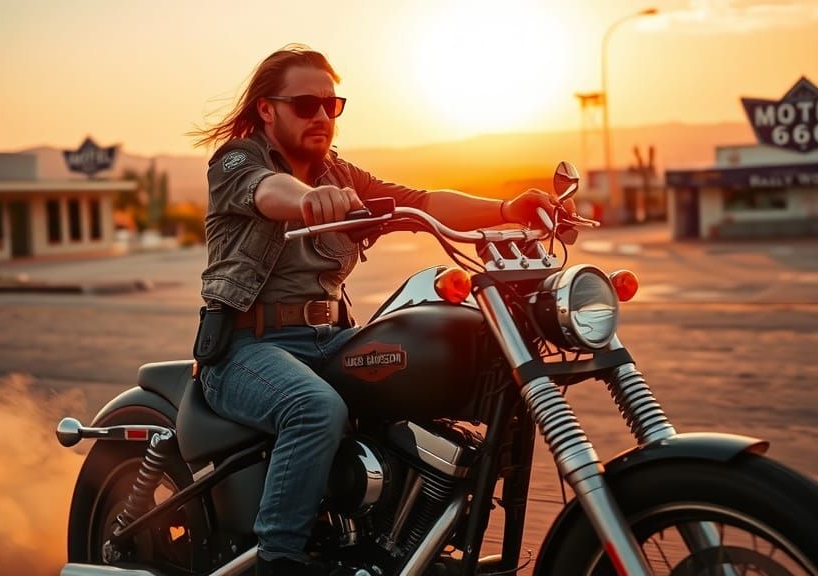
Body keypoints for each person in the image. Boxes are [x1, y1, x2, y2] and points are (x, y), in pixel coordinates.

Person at [191, 44, 573, 576]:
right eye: (306, 104)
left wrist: (507, 208)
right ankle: (278, 560)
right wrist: (306, 199)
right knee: (314, 409)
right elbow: (269, 191)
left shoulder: (340, 175)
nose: (322, 116)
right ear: (267, 109)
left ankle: (408, 541)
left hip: (327, 340)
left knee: (461, 368)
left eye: (331, 104)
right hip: (245, 348)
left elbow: (422, 202)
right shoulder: (238, 160)